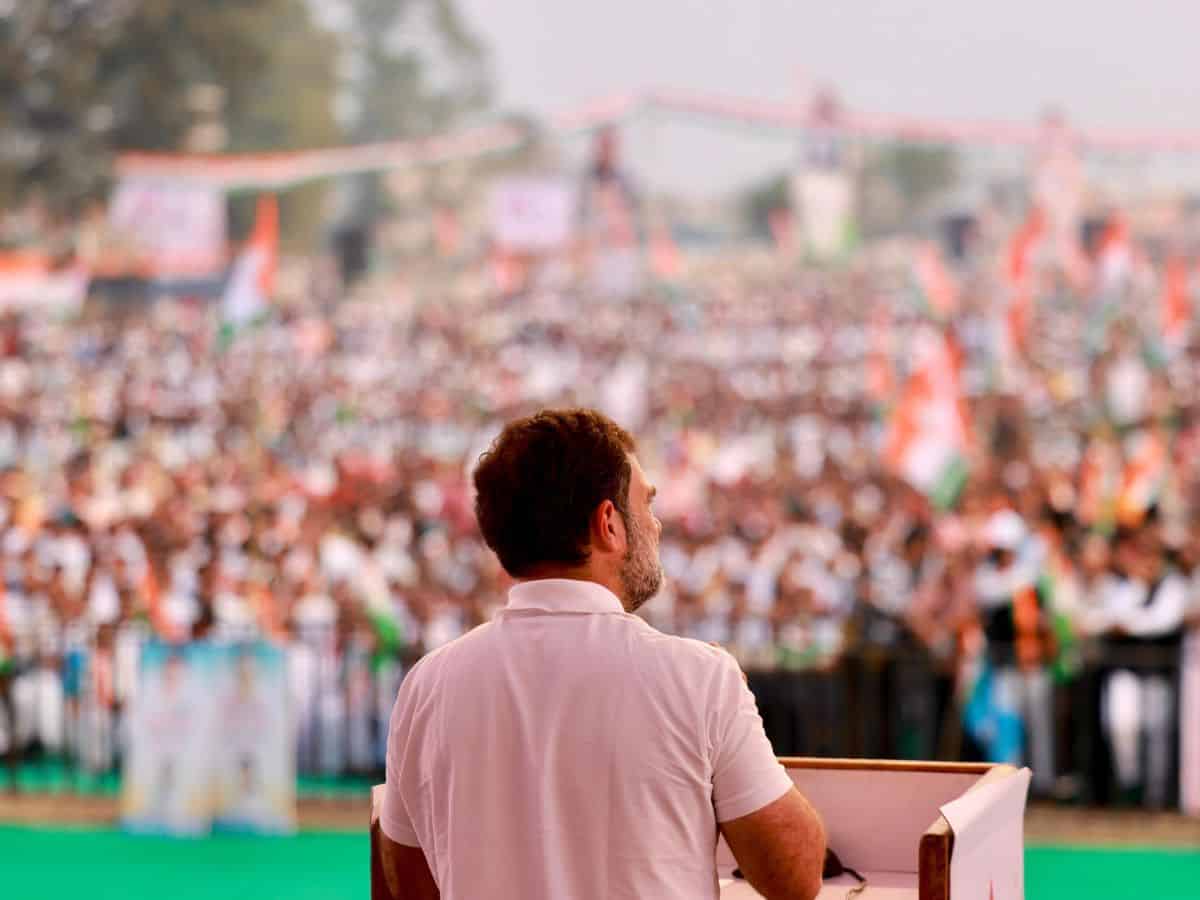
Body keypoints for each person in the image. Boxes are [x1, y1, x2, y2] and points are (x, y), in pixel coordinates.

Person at [379, 408, 825, 900]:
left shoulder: (427, 685)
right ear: (609, 523)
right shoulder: (699, 678)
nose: (655, 526)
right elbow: (796, 876)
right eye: (646, 505)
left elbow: (411, 887)